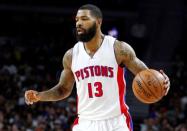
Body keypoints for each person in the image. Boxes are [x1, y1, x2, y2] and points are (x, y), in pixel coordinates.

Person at [25, 4, 170, 131]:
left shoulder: (118, 49)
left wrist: (163, 83)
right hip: (85, 123)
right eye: (77, 20)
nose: (78, 23)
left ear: (98, 22)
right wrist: (39, 96)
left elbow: (147, 76)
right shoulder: (71, 56)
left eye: (84, 19)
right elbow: (62, 90)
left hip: (116, 122)